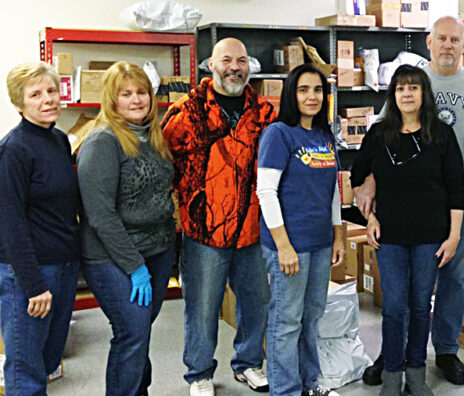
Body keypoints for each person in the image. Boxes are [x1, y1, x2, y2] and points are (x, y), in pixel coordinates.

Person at [356, 16, 464, 386]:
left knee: (452, 277)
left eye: (455, 39)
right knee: (403, 288)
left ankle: (446, 350)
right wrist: (367, 183)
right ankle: (393, 354)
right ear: (429, 42)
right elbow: (380, 139)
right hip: (406, 206)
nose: (448, 45)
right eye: (442, 39)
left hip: (458, 202)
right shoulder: (411, 81)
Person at [161, 37, 276, 396]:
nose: (235, 67)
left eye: (242, 61)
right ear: (211, 65)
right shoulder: (185, 113)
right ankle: (199, 373)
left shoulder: (266, 114)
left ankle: (249, 364)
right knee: (202, 307)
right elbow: (163, 165)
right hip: (203, 232)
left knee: (256, 302)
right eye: (227, 60)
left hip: (253, 230)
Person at [351, 65, 464, 396]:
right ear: (393, 94)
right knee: (395, 306)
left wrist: (454, 235)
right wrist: (370, 219)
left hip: (431, 235)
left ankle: (416, 372)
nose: (406, 93)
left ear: (423, 94)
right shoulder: (378, 134)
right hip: (390, 236)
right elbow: (357, 177)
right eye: (400, 88)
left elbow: (456, 187)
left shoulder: (441, 134)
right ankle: (391, 373)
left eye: (413, 88)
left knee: (419, 306)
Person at [76, 61, 176, 396]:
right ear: (111, 100)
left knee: (139, 330)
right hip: (112, 257)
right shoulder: (102, 142)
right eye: (126, 94)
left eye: (142, 92)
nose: (136, 100)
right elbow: (100, 215)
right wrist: (134, 267)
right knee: (132, 331)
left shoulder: (152, 136)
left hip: (158, 251)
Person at [256, 63, 345, 396]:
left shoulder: (324, 135)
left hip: (320, 243)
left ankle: (311, 383)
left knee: (311, 318)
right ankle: (286, 390)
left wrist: (338, 237)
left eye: (318, 90)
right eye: (304, 89)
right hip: (289, 245)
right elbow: (265, 191)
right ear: (291, 95)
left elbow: (333, 190)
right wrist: (283, 246)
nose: (312, 96)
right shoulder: (278, 133)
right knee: (286, 321)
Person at [0, 61, 80, 396]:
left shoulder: (60, 139)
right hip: (30, 274)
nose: (47, 99)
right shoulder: (13, 149)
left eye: (51, 90)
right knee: (25, 370)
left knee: (48, 361)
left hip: (63, 266)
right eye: (35, 94)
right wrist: (33, 285)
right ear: (19, 104)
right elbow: (9, 221)